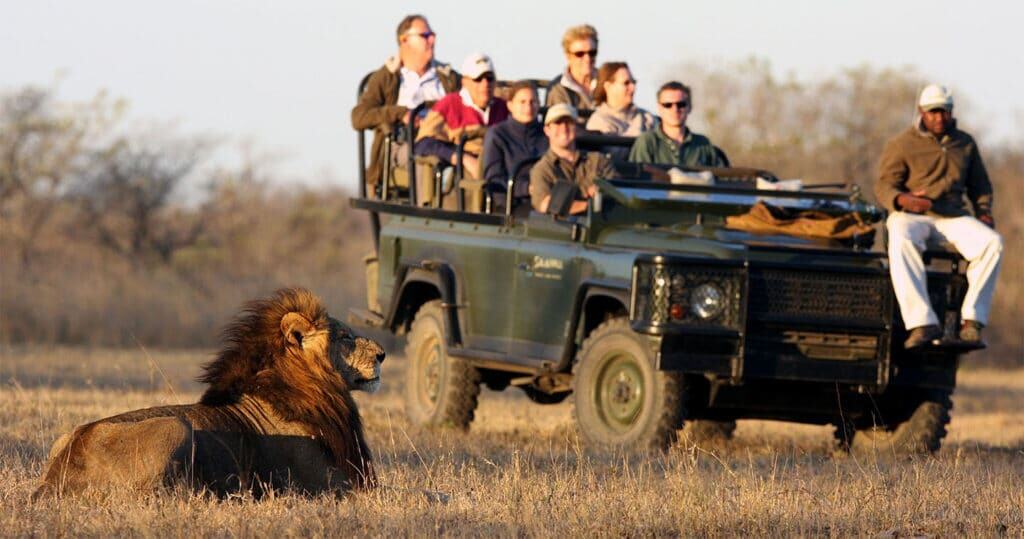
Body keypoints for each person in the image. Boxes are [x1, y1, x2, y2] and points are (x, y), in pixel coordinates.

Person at [874, 84, 1002, 348]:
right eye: (933, 112)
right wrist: (902, 200)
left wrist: (984, 212)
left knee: (993, 243)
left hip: (952, 216)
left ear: (951, 112)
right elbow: (884, 185)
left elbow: (980, 185)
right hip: (914, 215)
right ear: (921, 112)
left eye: (944, 112)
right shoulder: (902, 144)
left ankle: (972, 321)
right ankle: (922, 322)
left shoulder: (964, 143)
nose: (939, 118)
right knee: (898, 232)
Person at [351, 14, 460, 190]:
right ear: (404, 41)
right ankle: (426, 213)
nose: (432, 40)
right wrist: (401, 113)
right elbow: (359, 117)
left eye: (432, 35)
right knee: (425, 158)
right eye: (425, 36)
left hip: (446, 139)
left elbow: (476, 92)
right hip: (404, 144)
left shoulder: (448, 77)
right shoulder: (388, 77)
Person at [414, 53, 508, 178]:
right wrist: (461, 158)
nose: (485, 84)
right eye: (478, 79)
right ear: (465, 82)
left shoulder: (504, 107)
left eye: (489, 78)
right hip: (461, 171)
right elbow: (423, 144)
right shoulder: (449, 104)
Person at [529, 104, 617, 215]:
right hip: (560, 229)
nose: (564, 128)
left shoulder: (598, 161)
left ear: (576, 127)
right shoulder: (542, 169)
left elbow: (617, 192)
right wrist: (590, 205)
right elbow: (545, 205)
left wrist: (602, 192)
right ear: (547, 130)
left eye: (568, 123)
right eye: (558, 123)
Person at [482, 81, 548, 213]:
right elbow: (494, 180)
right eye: (522, 102)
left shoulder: (548, 133)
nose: (528, 107)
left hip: (546, 201)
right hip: (511, 205)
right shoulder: (498, 135)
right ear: (510, 105)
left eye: (533, 102)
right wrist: (527, 188)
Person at [629, 81, 727, 167]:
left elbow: (722, 181)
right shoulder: (647, 142)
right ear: (659, 108)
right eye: (668, 105)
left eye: (681, 104)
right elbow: (637, 184)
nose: (675, 109)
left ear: (689, 107)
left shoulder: (703, 144)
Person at [585, 62, 656, 137]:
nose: (633, 87)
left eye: (633, 82)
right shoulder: (598, 122)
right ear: (608, 87)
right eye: (626, 83)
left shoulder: (647, 117)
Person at [546, 24, 599, 123]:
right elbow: (561, 125)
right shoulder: (557, 89)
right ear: (568, 56)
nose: (587, 58)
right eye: (580, 54)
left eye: (592, 53)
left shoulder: (608, 82)